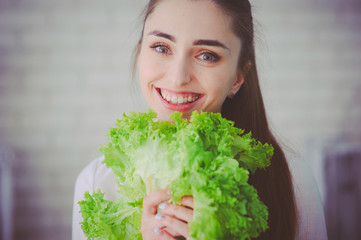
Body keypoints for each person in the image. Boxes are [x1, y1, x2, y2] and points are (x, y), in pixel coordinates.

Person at [72, 0, 328, 239]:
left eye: (207, 55)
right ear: (140, 55)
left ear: (239, 76)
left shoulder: (292, 181)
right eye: (161, 48)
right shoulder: (96, 183)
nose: (178, 77)